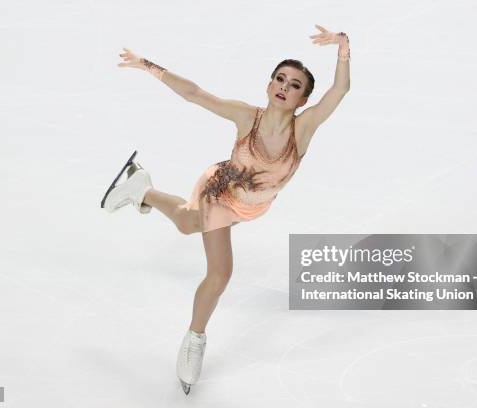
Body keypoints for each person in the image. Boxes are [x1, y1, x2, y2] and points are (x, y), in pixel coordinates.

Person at [102, 24, 350, 394]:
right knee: (220, 274)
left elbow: (340, 90)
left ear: (302, 99)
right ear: (269, 85)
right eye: (279, 79)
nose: (284, 87)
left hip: (253, 207)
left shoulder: (305, 129)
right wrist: (147, 65)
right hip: (221, 191)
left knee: (187, 224)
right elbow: (196, 94)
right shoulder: (245, 117)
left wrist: (343, 47)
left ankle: (143, 190)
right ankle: (195, 340)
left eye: (294, 85)